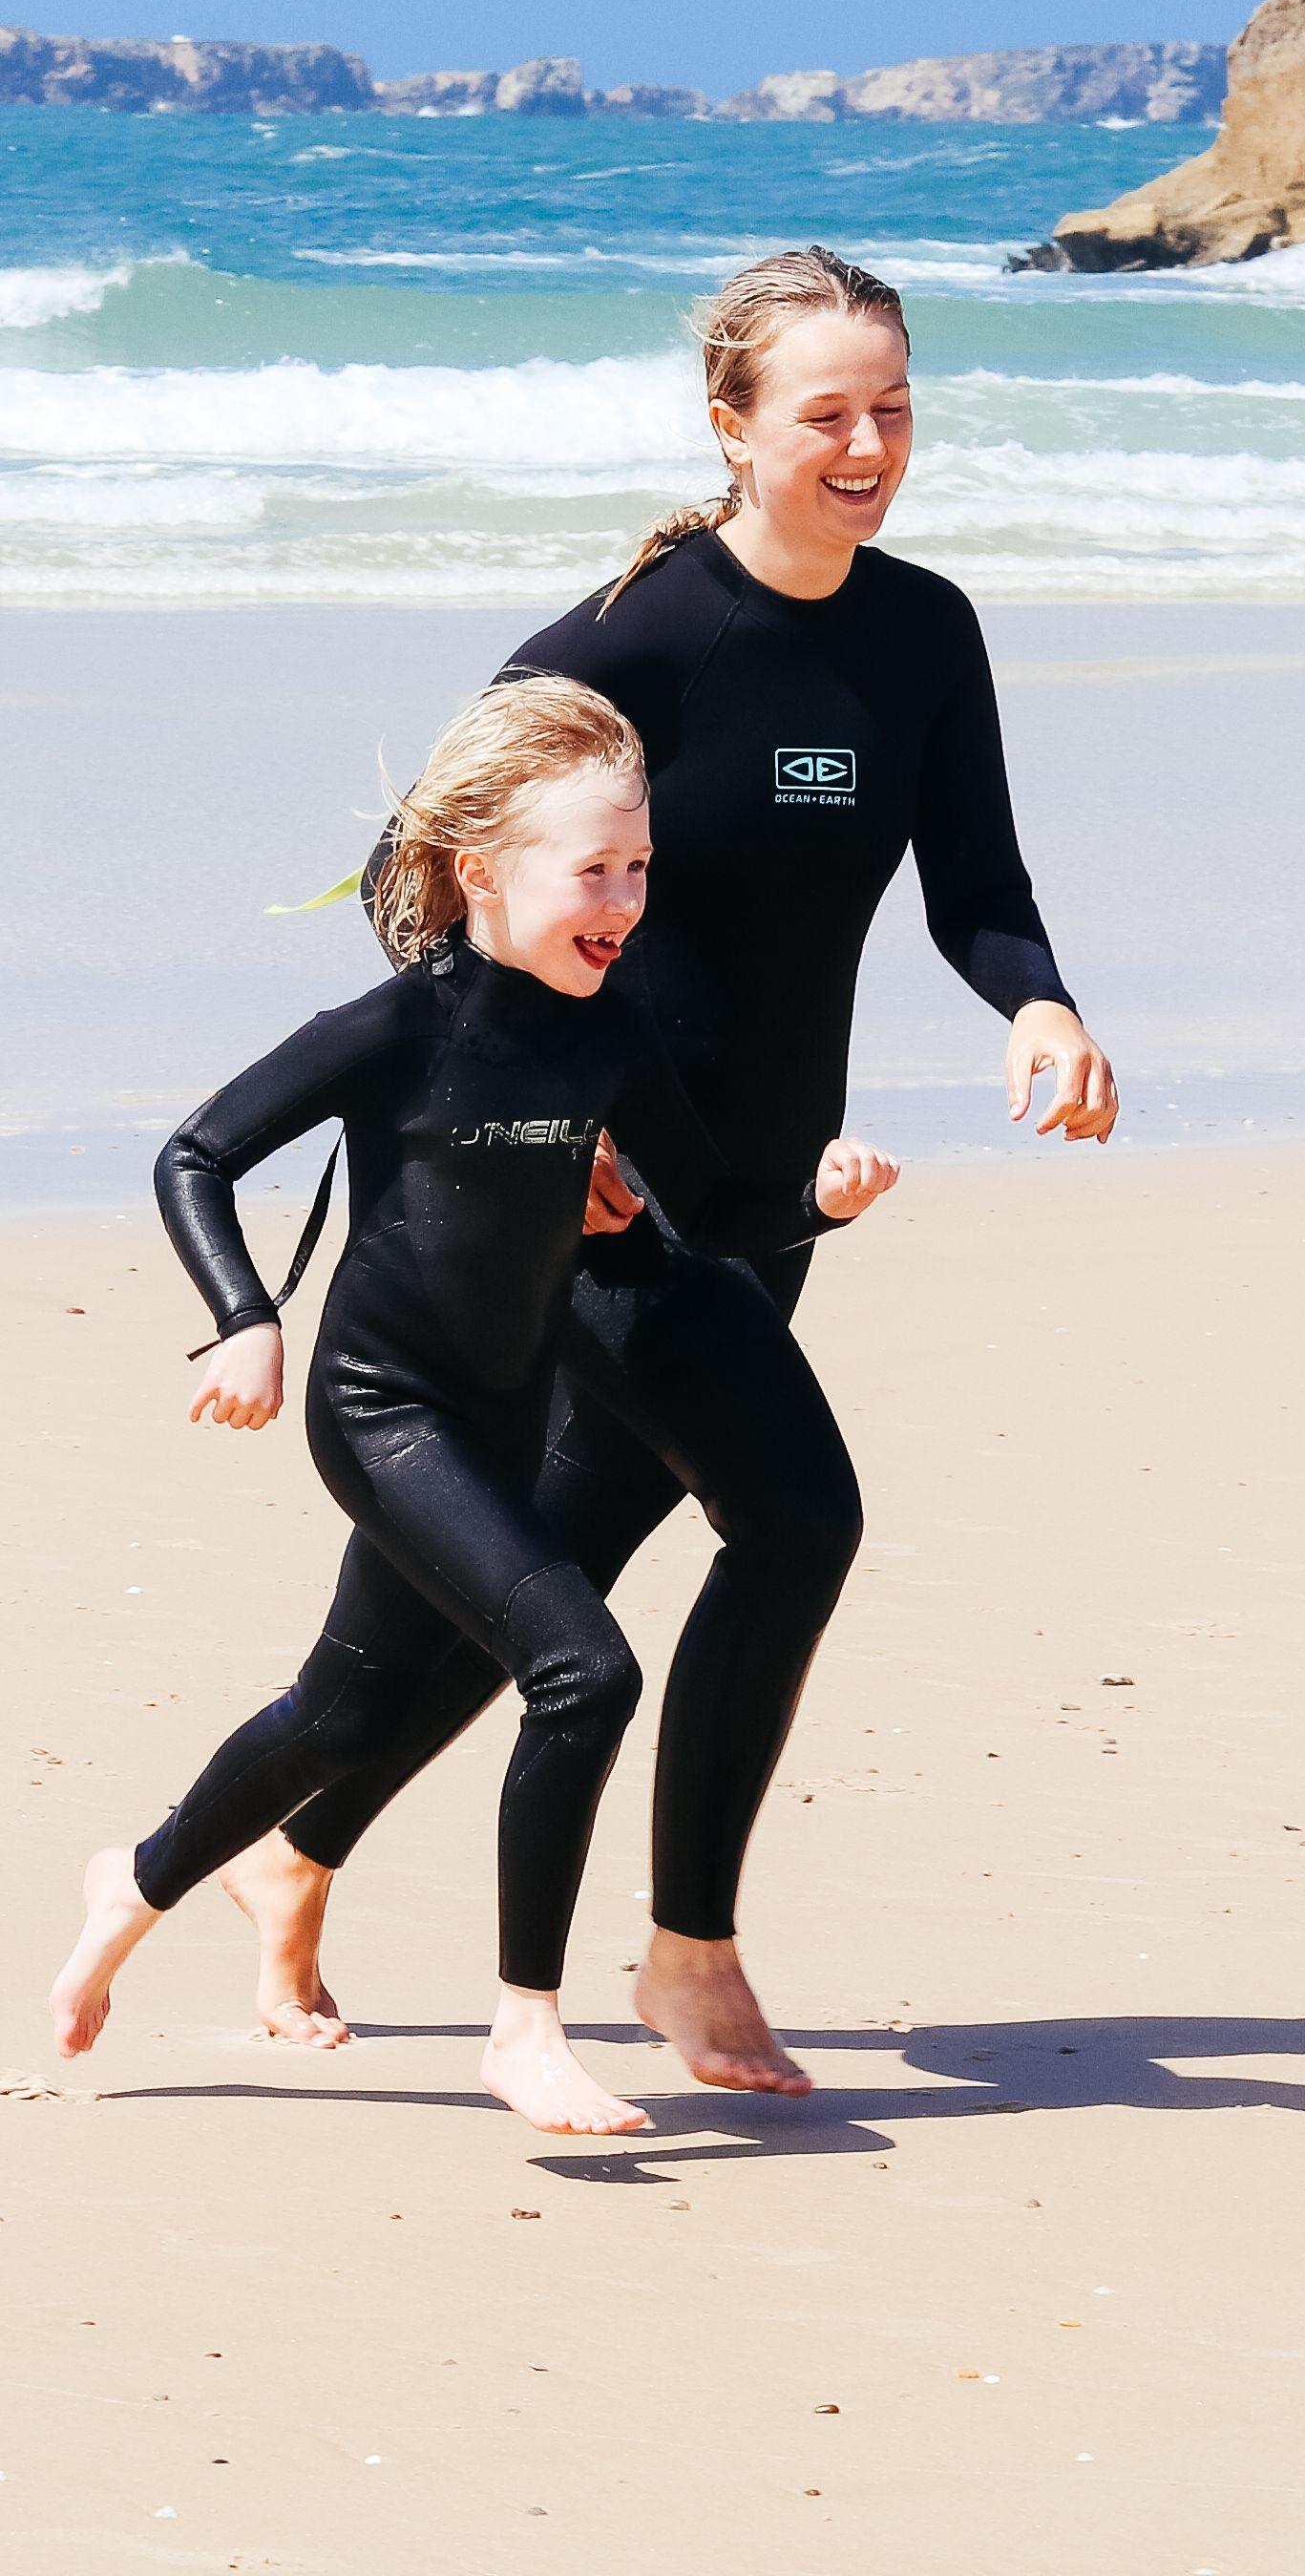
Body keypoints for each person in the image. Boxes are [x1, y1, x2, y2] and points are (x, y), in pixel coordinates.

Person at [215, 245, 1119, 2096]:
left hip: (752, 1197)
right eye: (826, 413)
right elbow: (424, 882)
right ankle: (683, 1960)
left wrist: (1038, 1011)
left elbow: (980, 890)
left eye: (893, 407)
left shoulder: (922, 632)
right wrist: (530, 1136)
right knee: (776, 1525)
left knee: (527, 1574)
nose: (868, 444)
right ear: (730, 423)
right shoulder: (623, 647)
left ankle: (285, 1854)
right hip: (600, 1202)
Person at [45, 673, 899, 2136]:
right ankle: (525, 2028)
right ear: (478, 871)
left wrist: (819, 1201)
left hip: (498, 1412)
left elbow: (709, 1204)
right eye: (593, 870)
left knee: (338, 1713)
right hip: (382, 1411)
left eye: (639, 867)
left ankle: (129, 1885)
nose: (625, 900)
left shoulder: (605, 1022)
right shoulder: (392, 1031)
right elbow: (195, 1153)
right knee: (588, 1670)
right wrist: (244, 1324)